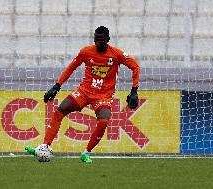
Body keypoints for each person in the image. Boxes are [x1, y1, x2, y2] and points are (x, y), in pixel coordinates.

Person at [25, 26, 140, 163]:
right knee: (60, 110)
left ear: (108, 40)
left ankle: (86, 153)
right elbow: (71, 67)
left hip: (103, 96)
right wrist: (56, 86)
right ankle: (45, 146)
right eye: (96, 40)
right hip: (84, 91)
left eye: (102, 41)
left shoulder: (116, 54)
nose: (98, 44)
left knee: (103, 121)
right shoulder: (86, 52)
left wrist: (134, 91)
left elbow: (135, 67)